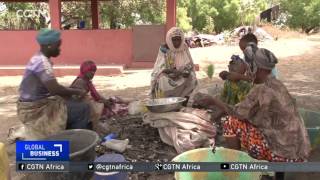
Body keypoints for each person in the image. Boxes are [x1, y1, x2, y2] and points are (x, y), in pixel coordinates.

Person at [194, 49, 311, 162]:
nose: (249, 70)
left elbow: (236, 112)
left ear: (256, 67)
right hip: (299, 150)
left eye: (251, 66)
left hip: (282, 153)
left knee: (229, 121)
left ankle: (235, 163)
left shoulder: (261, 89)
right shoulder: (277, 84)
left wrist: (213, 100)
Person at [17, 28, 91, 138]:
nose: (60, 49)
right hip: (36, 108)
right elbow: (55, 89)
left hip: (34, 102)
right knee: (83, 109)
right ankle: (75, 142)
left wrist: (69, 93)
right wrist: (77, 91)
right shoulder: (42, 63)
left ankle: (67, 135)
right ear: (49, 45)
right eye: (58, 46)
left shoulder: (39, 59)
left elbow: (53, 88)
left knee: (69, 102)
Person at [151, 27, 198, 101]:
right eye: (174, 40)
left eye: (179, 39)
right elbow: (160, 68)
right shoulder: (164, 48)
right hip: (168, 75)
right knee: (162, 79)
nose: (177, 42)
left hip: (181, 75)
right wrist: (173, 72)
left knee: (192, 77)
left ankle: (183, 99)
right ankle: (164, 100)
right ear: (170, 39)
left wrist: (185, 71)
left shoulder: (184, 47)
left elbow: (189, 64)